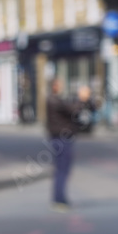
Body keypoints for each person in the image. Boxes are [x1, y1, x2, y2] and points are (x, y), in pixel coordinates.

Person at [45, 78, 91, 212]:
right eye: (59, 84)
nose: (62, 86)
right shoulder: (55, 101)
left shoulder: (54, 99)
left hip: (58, 138)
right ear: (54, 86)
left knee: (60, 169)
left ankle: (59, 198)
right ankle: (59, 200)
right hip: (61, 139)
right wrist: (82, 99)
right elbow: (72, 110)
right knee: (62, 170)